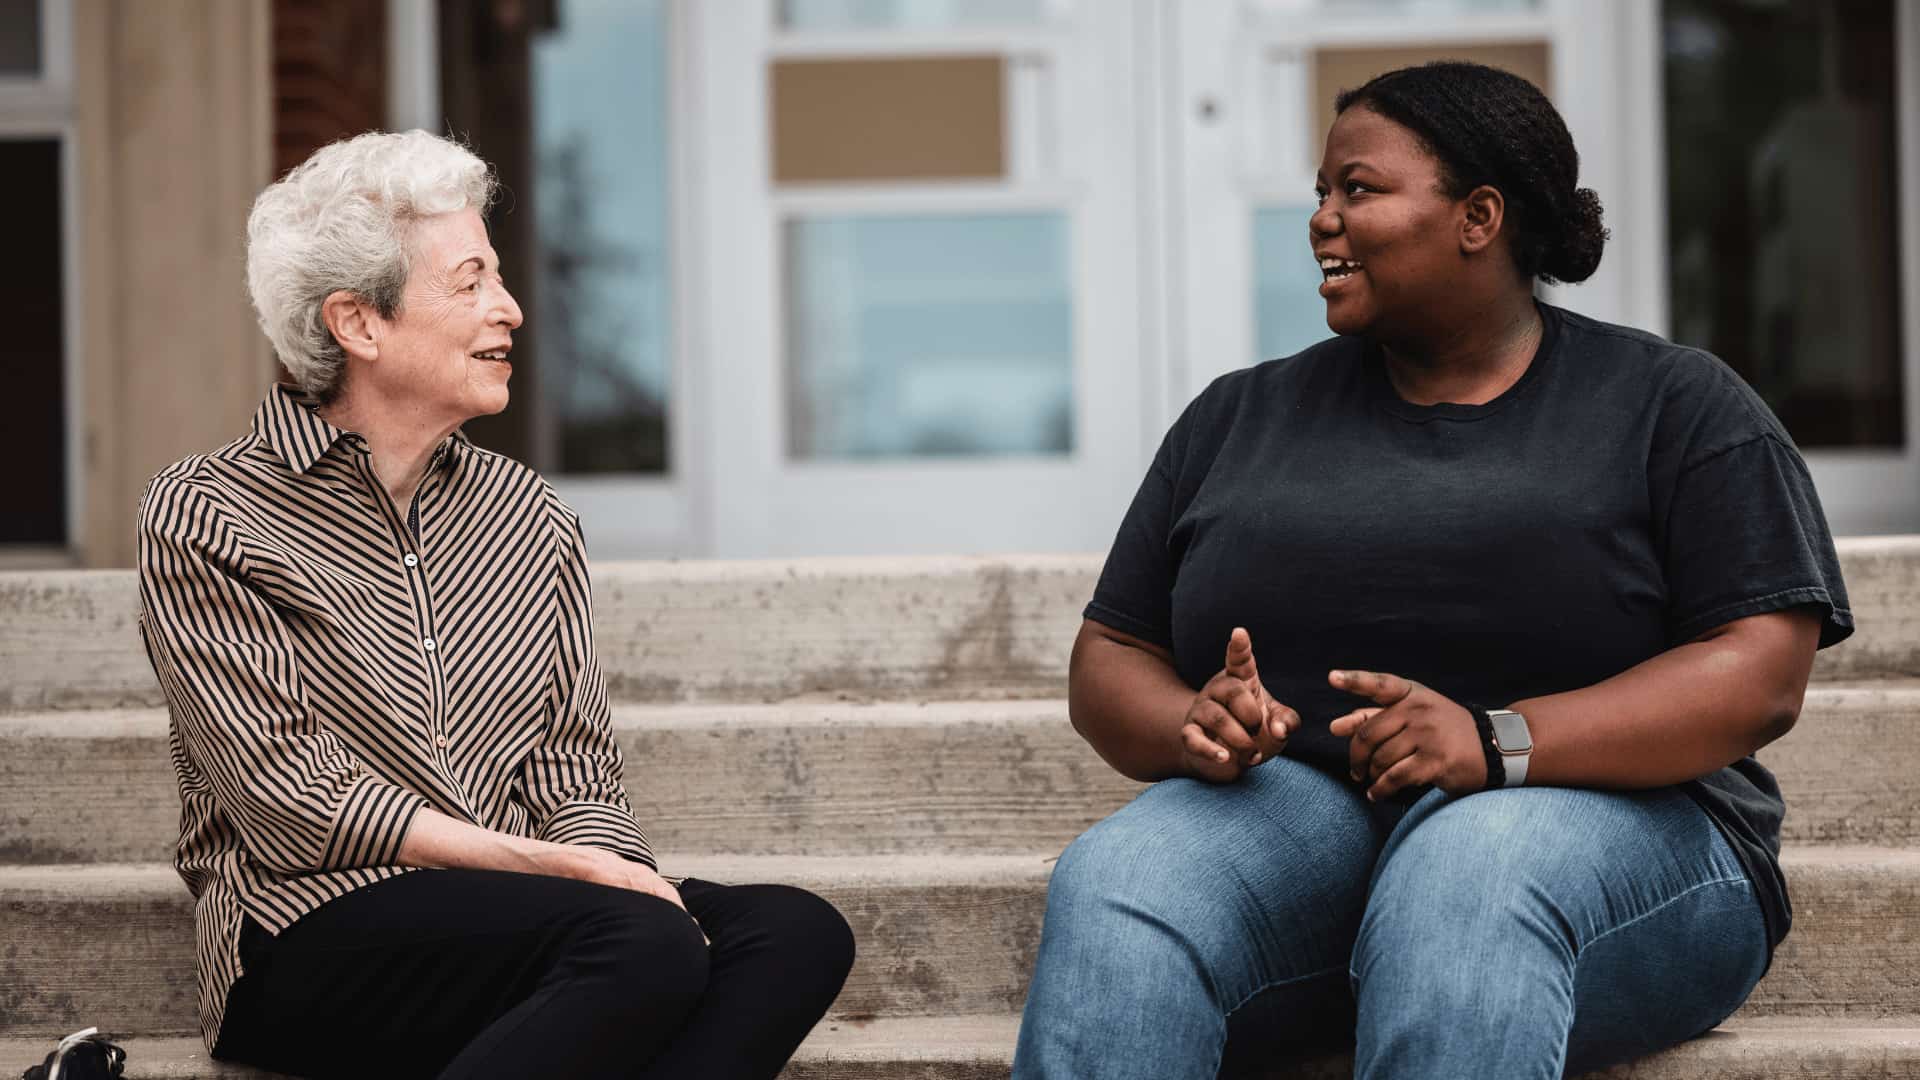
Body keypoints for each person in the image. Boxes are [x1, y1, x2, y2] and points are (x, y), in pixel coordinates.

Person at [1011, 61, 1850, 1079]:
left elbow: (1761, 671)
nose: (1322, 219)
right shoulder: (1239, 417)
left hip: (1632, 833)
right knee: (1123, 879)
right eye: (1321, 192)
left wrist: (1496, 742)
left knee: (1466, 874)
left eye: (1357, 190)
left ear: (1479, 216)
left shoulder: (1675, 406)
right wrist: (1189, 724)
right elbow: (1114, 650)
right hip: (1302, 826)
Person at [137, 130, 854, 1079]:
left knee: (793, 932)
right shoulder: (207, 513)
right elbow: (289, 802)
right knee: (641, 946)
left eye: (499, 277)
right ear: (358, 323)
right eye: (469, 281)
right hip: (311, 928)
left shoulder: (529, 515)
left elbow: (573, 769)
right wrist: (575, 880)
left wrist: (612, 870)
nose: (509, 309)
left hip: (539, 926)